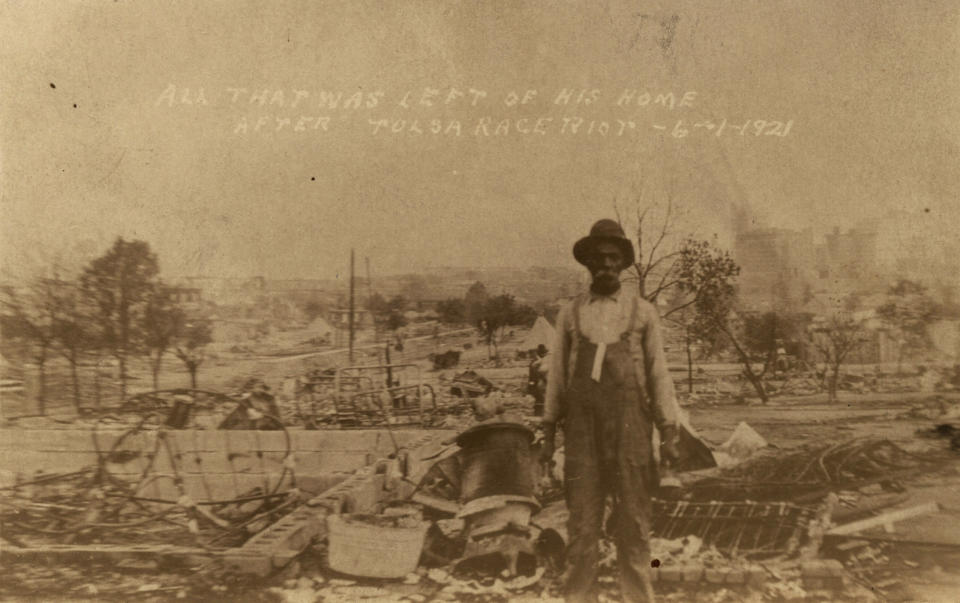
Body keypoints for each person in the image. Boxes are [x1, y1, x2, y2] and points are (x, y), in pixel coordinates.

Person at [540, 219, 681, 603]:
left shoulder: (643, 313)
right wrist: (549, 431)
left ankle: (638, 597)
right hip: (582, 435)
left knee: (634, 522)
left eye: (612, 257)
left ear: (622, 264)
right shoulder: (569, 315)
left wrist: (669, 431)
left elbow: (659, 375)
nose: (604, 264)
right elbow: (556, 378)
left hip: (631, 430)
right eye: (597, 258)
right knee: (583, 524)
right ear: (587, 263)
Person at [528, 344, 550, 415]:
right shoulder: (536, 361)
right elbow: (531, 376)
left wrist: (531, 384)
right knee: (538, 398)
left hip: (540, 382)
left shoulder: (537, 361)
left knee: (541, 398)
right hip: (537, 382)